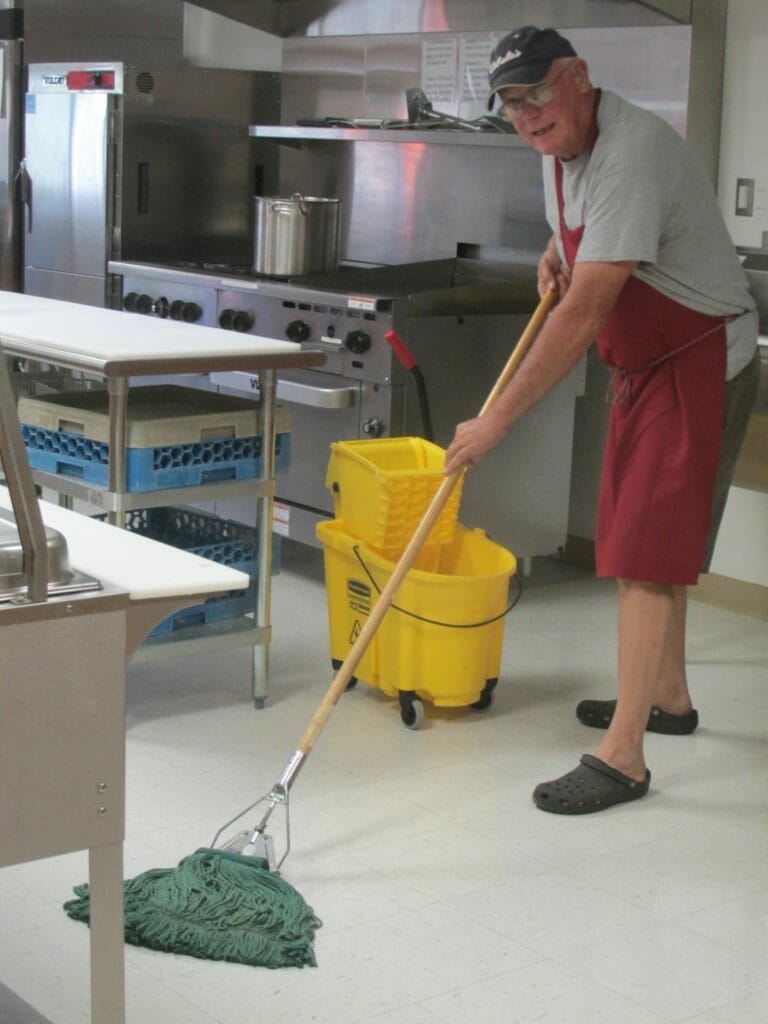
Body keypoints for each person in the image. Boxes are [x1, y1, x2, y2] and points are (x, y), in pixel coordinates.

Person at [444, 25, 760, 815]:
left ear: (578, 77)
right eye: (511, 103)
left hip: (695, 361)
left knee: (646, 557)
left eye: (537, 93)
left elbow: (585, 313)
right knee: (646, 536)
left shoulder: (631, 152)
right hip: (646, 361)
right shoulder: (562, 148)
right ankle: (670, 698)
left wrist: (496, 424)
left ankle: (624, 756)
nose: (526, 115)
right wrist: (558, 246)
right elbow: (581, 229)